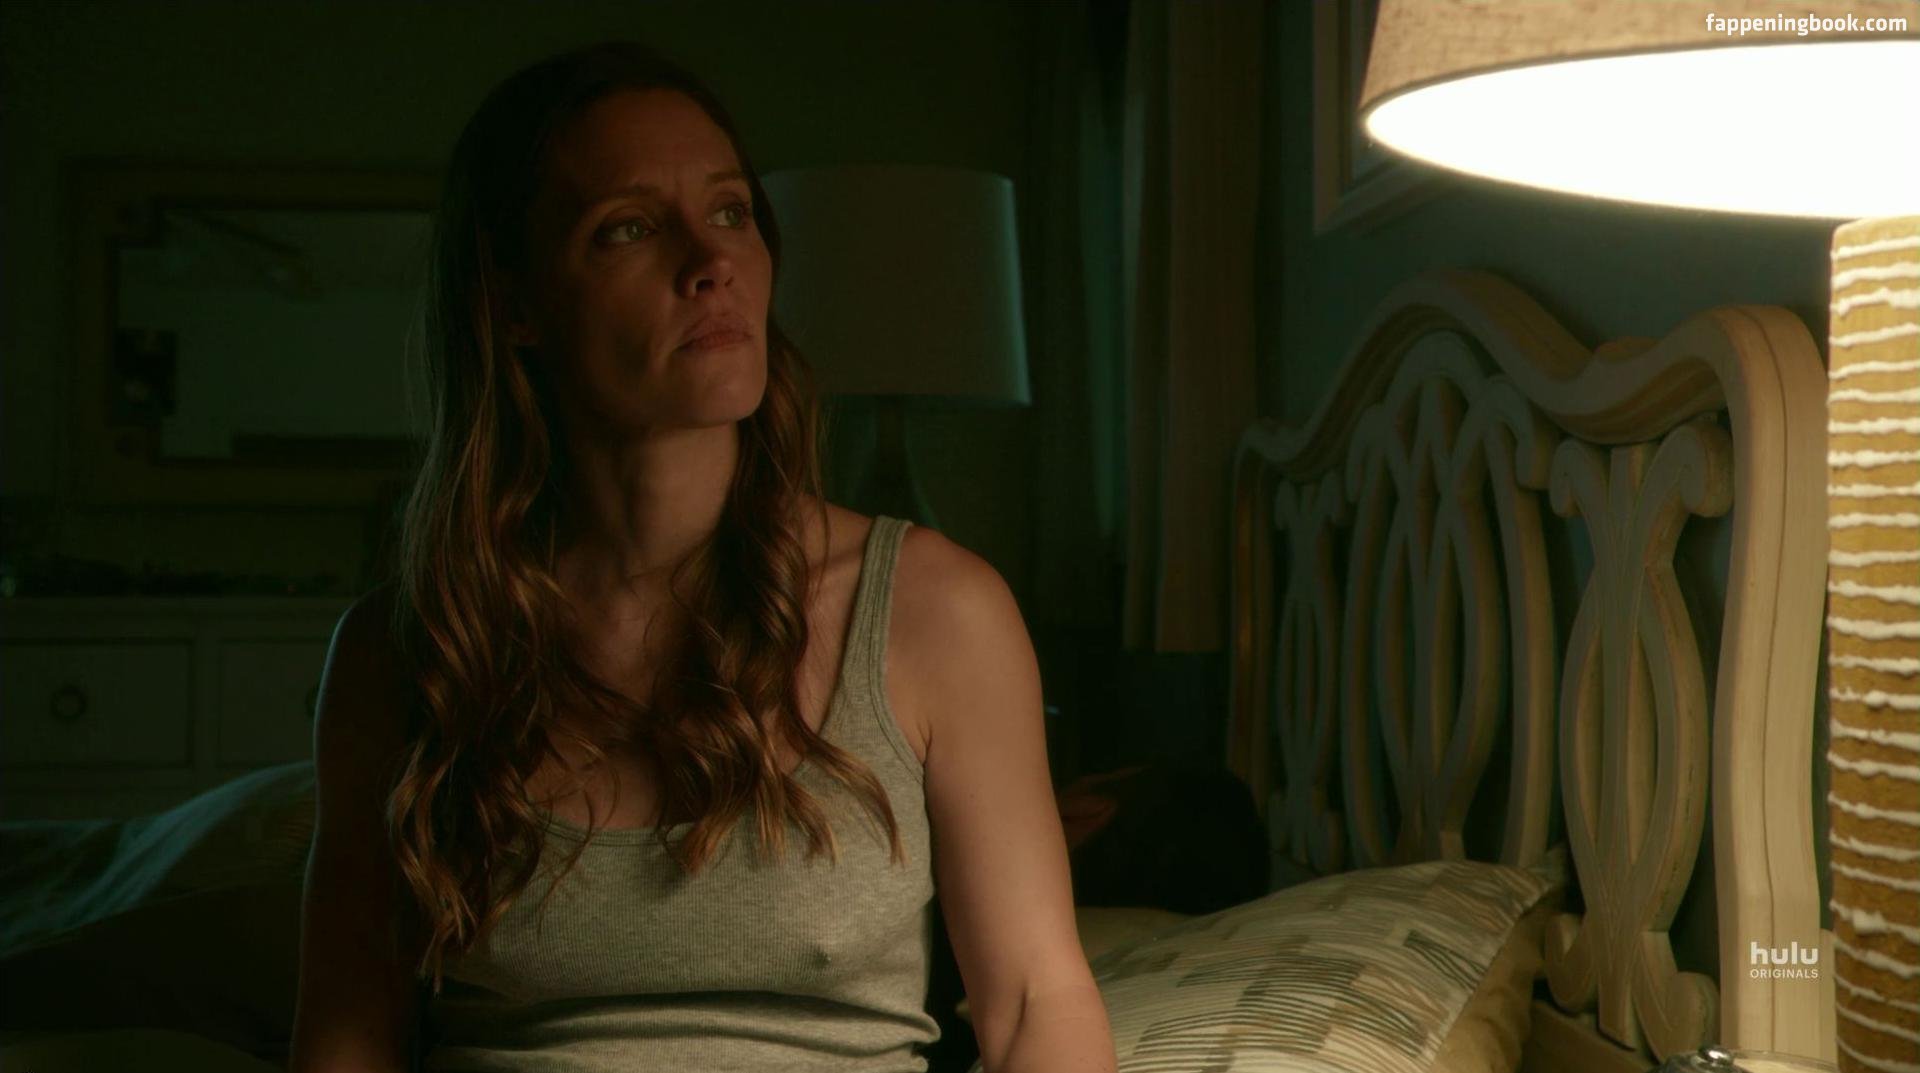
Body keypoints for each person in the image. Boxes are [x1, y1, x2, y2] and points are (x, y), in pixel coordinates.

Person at [287, 40, 1115, 1073]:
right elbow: (346, 1034)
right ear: (514, 303)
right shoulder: (406, 647)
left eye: (730, 212)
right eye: (628, 228)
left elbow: (1036, 1002)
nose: (708, 261)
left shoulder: (936, 610)